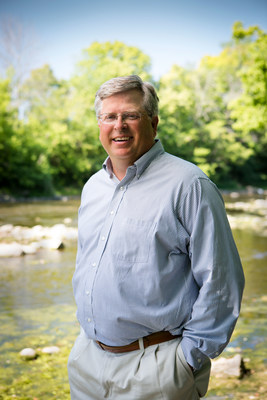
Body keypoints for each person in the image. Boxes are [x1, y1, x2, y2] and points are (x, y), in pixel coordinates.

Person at [68, 75, 245, 400]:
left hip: (157, 369)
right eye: (109, 116)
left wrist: (188, 360)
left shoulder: (189, 185)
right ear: (99, 124)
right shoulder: (93, 187)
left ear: (153, 121)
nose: (118, 125)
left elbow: (221, 281)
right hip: (87, 363)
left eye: (130, 115)